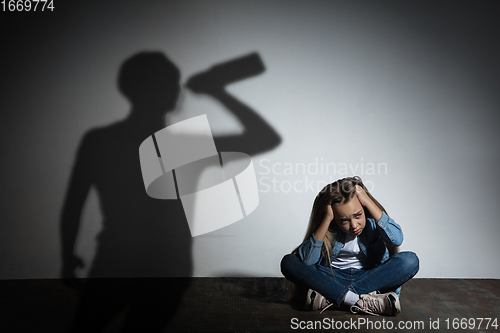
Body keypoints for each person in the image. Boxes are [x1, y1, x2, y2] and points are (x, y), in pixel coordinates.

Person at [280, 176, 419, 316]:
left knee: (410, 260)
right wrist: (326, 219)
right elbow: (308, 261)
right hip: (332, 278)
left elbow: (397, 239)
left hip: (370, 278)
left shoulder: (372, 224)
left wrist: (368, 201)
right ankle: (360, 300)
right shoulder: (330, 230)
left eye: (358, 215)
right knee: (289, 262)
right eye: (344, 221)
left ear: (364, 208)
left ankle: (335, 298)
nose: (353, 225)